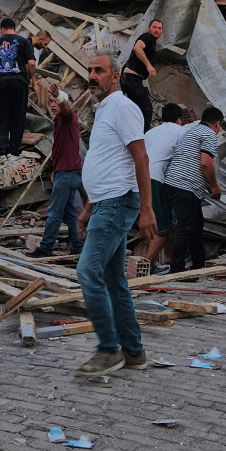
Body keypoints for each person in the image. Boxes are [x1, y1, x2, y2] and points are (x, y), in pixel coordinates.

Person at [74, 53, 155, 377]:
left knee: (87, 272)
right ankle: (134, 353)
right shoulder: (104, 110)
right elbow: (109, 165)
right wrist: (88, 208)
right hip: (105, 203)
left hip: (118, 204)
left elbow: (141, 158)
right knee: (114, 280)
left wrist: (147, 209)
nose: (92, 75)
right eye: (90, 70)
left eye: (99, 70)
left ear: (115, 76)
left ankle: (109, 350)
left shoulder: (122, 107)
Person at [162, 106, 224, 273]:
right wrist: (214, 186)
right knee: (185, 226)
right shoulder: (209, 134)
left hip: (176, 183)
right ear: (217, 124)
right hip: (185, 185)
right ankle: (176, 268)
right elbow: (205, 163)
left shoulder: (192, 131)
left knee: (196, 224)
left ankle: (198, 262)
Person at [29, 87, 84, 257]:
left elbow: (67, 109)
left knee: (54, 212)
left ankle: (46, 248)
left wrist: (60, 97)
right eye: (51, 101)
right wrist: (55, 169)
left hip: (67, 173)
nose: (52, 104)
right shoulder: (59, 122)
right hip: (66, 172)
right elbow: (60, 150)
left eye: (56, 101)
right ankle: (78, 246)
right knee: (69, 212)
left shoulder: (69, 117)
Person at [141, 103, 187, 270]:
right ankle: (144, 267)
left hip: (138, 178)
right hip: (155, 179)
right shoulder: (180, 131)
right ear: (179, 119)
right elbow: (183, 159)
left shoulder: (151, 132)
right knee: (163, 230)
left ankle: (167, 260)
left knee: (163, 222)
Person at [0, 18, 35, 158]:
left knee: (0, 115)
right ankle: (14, 149)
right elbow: (31, 63)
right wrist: (30, 78)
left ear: (2, 29)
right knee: (18, 115)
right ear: (15, 28)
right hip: (18, 81)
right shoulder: (24, 41)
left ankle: (2, 149)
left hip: (0, 82)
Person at [120, 20, 162, 131]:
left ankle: (130, 131)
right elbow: (137, 48)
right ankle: (143, 137)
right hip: (131, 79)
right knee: (146, 109)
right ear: (149, 28)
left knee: (134, 109)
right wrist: (148, 65)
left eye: (159, 28)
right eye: (154, 27)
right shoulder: (147, 37)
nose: (157, 30)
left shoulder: (152, 41)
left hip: (130, 79)